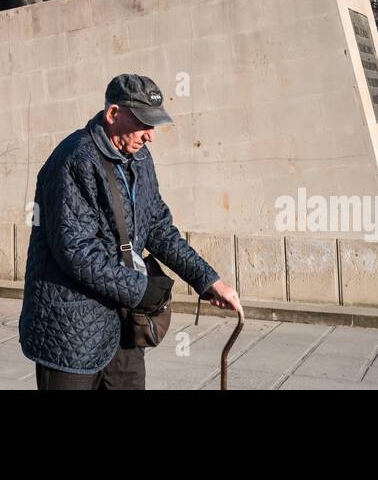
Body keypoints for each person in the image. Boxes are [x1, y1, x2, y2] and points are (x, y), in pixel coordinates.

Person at [18, 73, 242, 389]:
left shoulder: (140, 158)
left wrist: (208, 280)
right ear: (114, 115)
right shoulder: (73, 159)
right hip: (70, 331)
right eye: (144, 122)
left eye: (154, 124)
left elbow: (159, 229)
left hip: (122, 329)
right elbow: (76, 251)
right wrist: (140, 289)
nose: (150, 135)